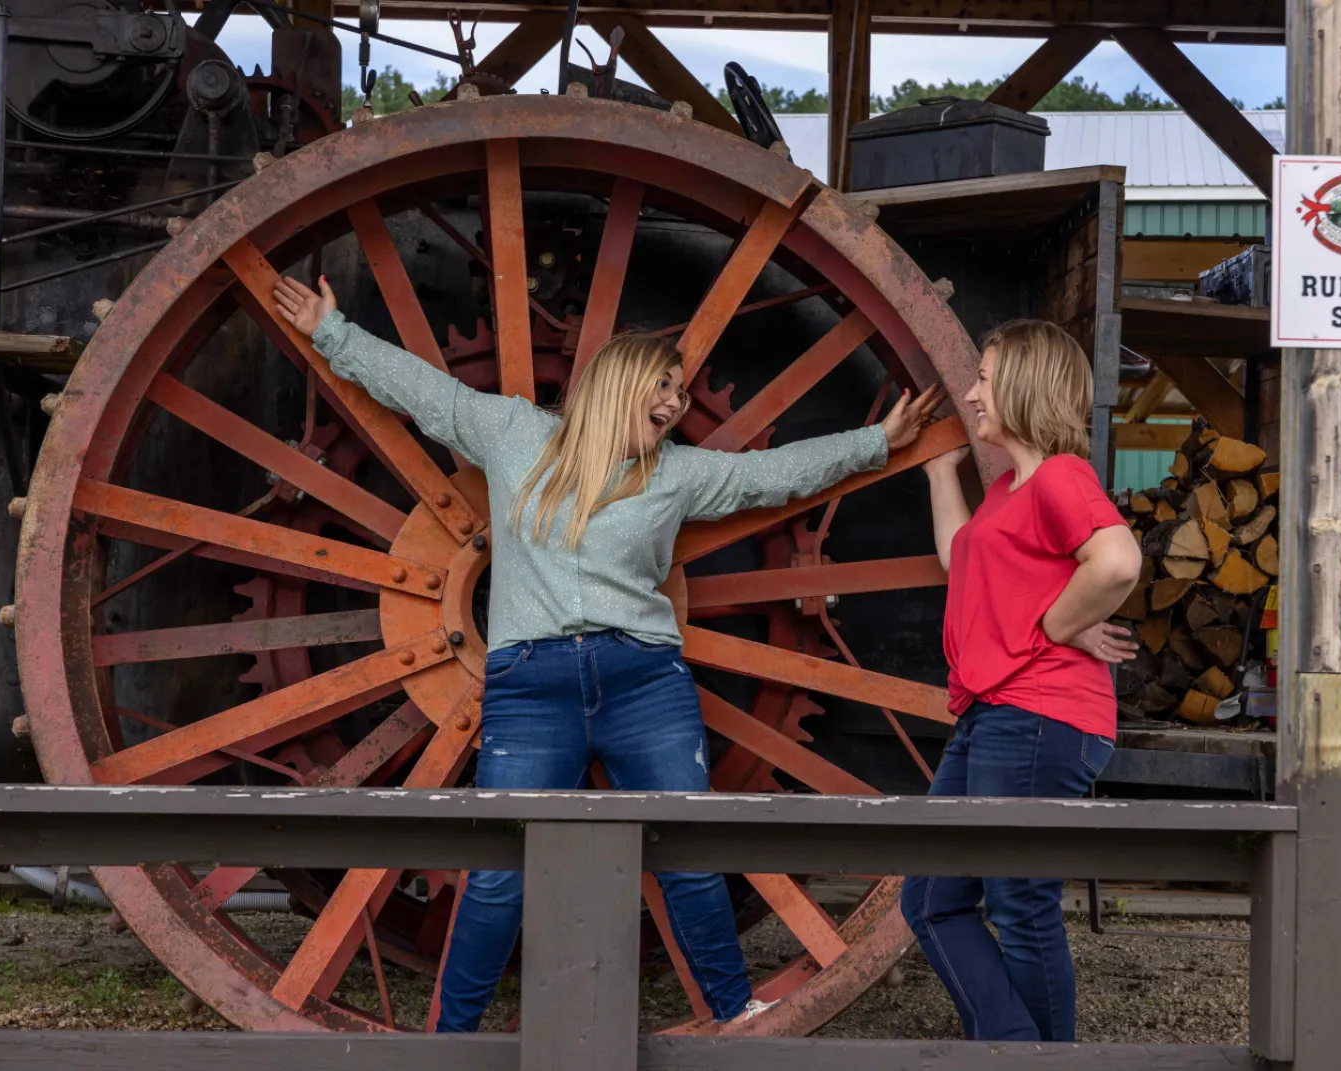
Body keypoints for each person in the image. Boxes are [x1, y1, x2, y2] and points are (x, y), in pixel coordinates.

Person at [272, 274, 942, 1031]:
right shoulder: (515, 434)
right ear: (620, 383)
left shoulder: (677, 473)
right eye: (664, 386)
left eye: (680, 391)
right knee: (497, 874)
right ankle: (449, 1040)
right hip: (531, 689)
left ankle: (734, 1013)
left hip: (644, 682)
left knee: (688, 853)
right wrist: (332, 332)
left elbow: (773, 476)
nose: (676, 403)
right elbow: (427, 394)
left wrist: (877, 442)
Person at [904, 318, 1142, 1043]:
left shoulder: (1061, 476)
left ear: (1025, 384)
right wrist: (940, 472)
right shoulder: (1010, 487)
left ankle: (1036, 1059)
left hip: (1040, 714)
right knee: (932, 900)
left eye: (984, 377)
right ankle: (1015, 1050)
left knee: (1019, 904)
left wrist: (1059, 625)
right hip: (995, 711)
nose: (973, 393)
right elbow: (963, 562)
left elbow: (1118, 563)